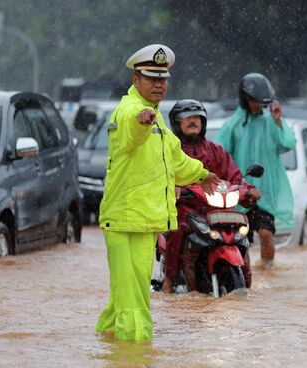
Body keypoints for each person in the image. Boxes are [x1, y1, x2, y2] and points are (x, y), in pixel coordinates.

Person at [95, 44, 220, 341]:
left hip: (145, 219)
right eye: (151, 78)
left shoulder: (157, 117)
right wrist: (140, 122)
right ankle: (135, 353)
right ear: (135, 80)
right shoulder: (130, 111)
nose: (159, 85)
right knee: (134, 303)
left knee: (127, 296)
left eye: (163, 79)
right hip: (124, 220)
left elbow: (175, 160)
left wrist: (203, 174)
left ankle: (106, 346)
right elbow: (130, 131)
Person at [162, 99, 261, 293]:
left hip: (217, 209)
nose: (193, 121)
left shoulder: (216, 150)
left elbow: (235, 176)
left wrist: (249, 189)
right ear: (176, 123)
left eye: (197, 117)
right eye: (187, 118)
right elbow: (162, 174)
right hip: (186, 207)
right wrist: (173, 189)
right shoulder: (171, 149)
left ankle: (247, 280)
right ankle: (170, 278)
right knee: (178, 228)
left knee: (242, 231)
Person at [217, 73, 296, 267]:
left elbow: (287, 143)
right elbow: (220, 156)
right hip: (239, 192)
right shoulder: (232, 125)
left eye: (262, 102)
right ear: (245, 100)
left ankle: (267, 271)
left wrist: (278, 121)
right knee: (238, 240)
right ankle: (241, 272)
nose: (259, 106)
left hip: (265, 194)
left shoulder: (271, 122)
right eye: (255, 102)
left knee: (266, 234)